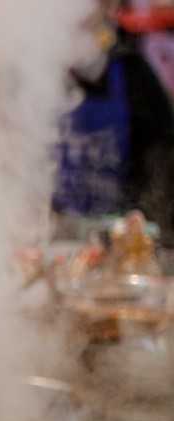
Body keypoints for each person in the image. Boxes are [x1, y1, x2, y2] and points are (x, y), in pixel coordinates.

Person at [51, 0, 174, 248]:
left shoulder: (131, 70)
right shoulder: (37, 75)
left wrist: (150, 228)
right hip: (50, 237)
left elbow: (162, 158)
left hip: (120, 239)